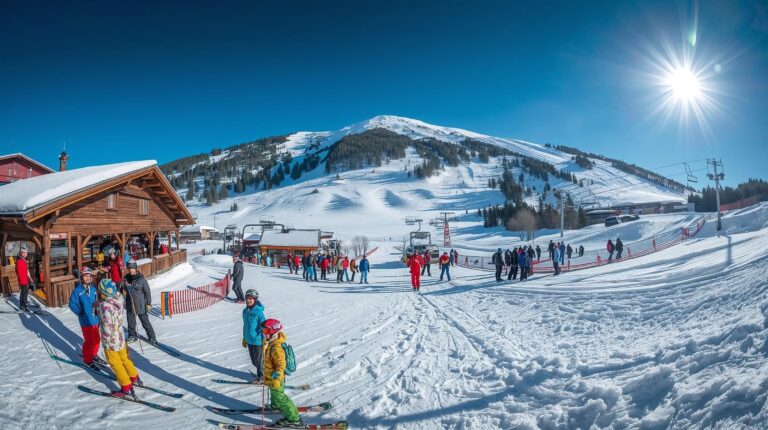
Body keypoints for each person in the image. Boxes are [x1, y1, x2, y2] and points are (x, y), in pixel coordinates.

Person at [96, 279, 142, 398]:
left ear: (102, 293)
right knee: (124, 358)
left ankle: (126, 387)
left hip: (111, 340)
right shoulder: (118, 298)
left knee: (115, 363)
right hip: (120, 336)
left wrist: (105, 340)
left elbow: (107, 326)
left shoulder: (105, 306)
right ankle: (134, 377)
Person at [262, 319, 303, 427]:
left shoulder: (276, 347)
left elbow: (281, 364)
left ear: (272, 333)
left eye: (265, 331)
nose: (263, 333)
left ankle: (294, 419)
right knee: (275, 394)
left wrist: (277, 377)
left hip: (276, 378)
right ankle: (276, 406)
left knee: (281, 398)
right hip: (273, 377)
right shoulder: (272, 343)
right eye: (263, 331)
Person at [68, 267, 101, 368]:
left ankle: (94, 354)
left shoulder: (94, 289)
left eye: (89, 276)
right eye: (85, 276)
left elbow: (96, 301)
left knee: (97, 339)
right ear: (82, 277)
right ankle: (87, 360)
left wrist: (98, 309)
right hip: (85, 320)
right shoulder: (77, 291)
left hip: (95, 319)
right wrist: (80, 312)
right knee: (89, 341)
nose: (88, 278)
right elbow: (72, 304)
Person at [124, 260, 157, 344]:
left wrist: (149, 303)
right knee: (131, 322)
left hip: (140, 305)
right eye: (129, 268)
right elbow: (123, 290)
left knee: (145, 322)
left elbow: (147, 293)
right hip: (130, 304)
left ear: (135, 268)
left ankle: (152, 337)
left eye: (132, 268)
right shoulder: (126, 279)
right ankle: (132, 336)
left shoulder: (142, 280)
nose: (131, 270)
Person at [242, 289, 265, 383]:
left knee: (259, 362)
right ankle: (263, 373)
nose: (249, 300)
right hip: (249, 340)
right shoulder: (245, 311)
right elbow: (245, 326)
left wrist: (262, 338)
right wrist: (244, 337)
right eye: (247, 298)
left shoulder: (258, 312)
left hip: (257, 341)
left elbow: (263, 326)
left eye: (251, 299)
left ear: (255, 300)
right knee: (254, 361)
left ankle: (262, 377)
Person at [15, 244, 33, 312]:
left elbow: (26, 270)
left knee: (23, 292)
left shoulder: (23, 260)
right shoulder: (20, 261)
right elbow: (19, 273)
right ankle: (24, 306)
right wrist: (24, 281)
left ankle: (22, 305)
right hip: (23, 280)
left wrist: (29, 278)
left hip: (24, 280)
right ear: (22, 253)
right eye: (25, 253)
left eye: (26, 253)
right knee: (24, 293)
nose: (26, 254)